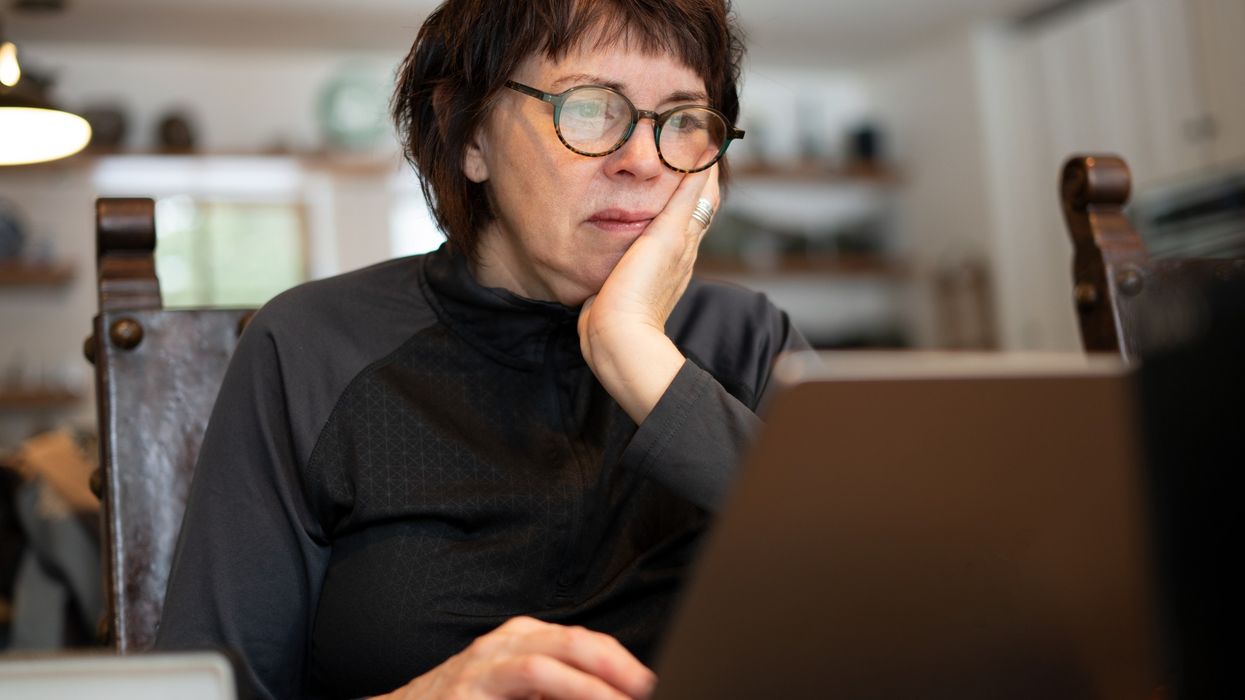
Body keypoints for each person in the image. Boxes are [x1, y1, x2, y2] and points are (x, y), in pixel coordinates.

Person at [155, 1, 809, 698]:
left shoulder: (747, 340)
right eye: (590, 109)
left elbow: (900, 608)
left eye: (681, 120)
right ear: (466, 134)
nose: (643, 161)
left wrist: (635, 352)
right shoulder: (311, 346)